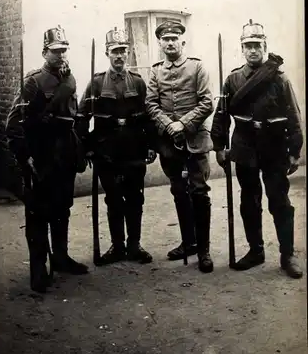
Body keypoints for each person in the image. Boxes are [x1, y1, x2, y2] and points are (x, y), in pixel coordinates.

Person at [211, 19, 303, 278]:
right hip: (244, 148)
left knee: (280, 202)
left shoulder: (279, 79)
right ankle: (256, 251)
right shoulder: (233, 80)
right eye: (247, 45)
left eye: (257, 45)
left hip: (274, 148)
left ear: (265, 45)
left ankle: (288, 255)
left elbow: (293, 116)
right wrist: (219, 146)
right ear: (242, 48)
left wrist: (295, 150)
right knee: (249, 202)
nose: (252, 50)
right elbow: (222, 115)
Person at [6, 25, 88, 294]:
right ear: (44, 53)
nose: (61, 56)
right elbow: (14, 125)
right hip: (41, 156)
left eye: (64, 51)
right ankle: (39, 270)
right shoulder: (33, 82)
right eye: (56, 52)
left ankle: (61, 258)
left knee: (62, 207)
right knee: (38, 213)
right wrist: (25, 156)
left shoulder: (70, 79)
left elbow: (74, 118)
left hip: (64, 153)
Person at [78, 27, 156, 265]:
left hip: (133, 150)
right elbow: (82, 117)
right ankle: (117, 246)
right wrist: (87, 148)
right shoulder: (96, 83)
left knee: (135, 199)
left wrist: (151, 145)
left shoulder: (139, 83)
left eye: (123, 51)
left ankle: (134, 245)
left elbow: (149, 117)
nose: (120, 56)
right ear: (107, 53)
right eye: (115, 51)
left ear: (129, 52)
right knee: (113, 199)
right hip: (107, 152)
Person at [145, 20, 214, 273]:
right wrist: (168, 125)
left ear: (182, 42)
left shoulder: (197, 67)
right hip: (169, 144)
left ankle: (204, 250)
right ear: (160, 43)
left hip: (194, 140)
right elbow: (151, 104)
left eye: (175, 38)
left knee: (199, 191)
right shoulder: (155, 72)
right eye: (166, 39)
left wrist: (183, 124)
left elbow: (207, 103)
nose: (170, 42)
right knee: (178, 191)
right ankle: (189, 242)